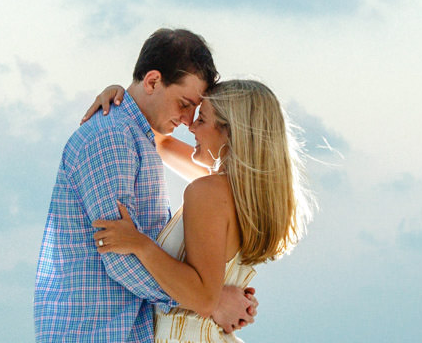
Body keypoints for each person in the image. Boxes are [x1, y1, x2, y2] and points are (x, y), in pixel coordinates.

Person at [35, 28, 258, 343]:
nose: (187, 120)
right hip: (97, 332)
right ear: (153, 81)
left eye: (197, 111)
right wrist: (210, 300)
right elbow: (119, 256)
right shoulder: (112, 138)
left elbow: (142, 243)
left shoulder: (138, 139)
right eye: (184, 103)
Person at [85, 77, 312, 343]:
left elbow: (204, 299)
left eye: (201, 120)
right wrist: (122, 99)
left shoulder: (208, 192)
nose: (190, 126)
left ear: (230, 132)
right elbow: (162, 144)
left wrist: (140, 244)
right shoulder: (247, 195)